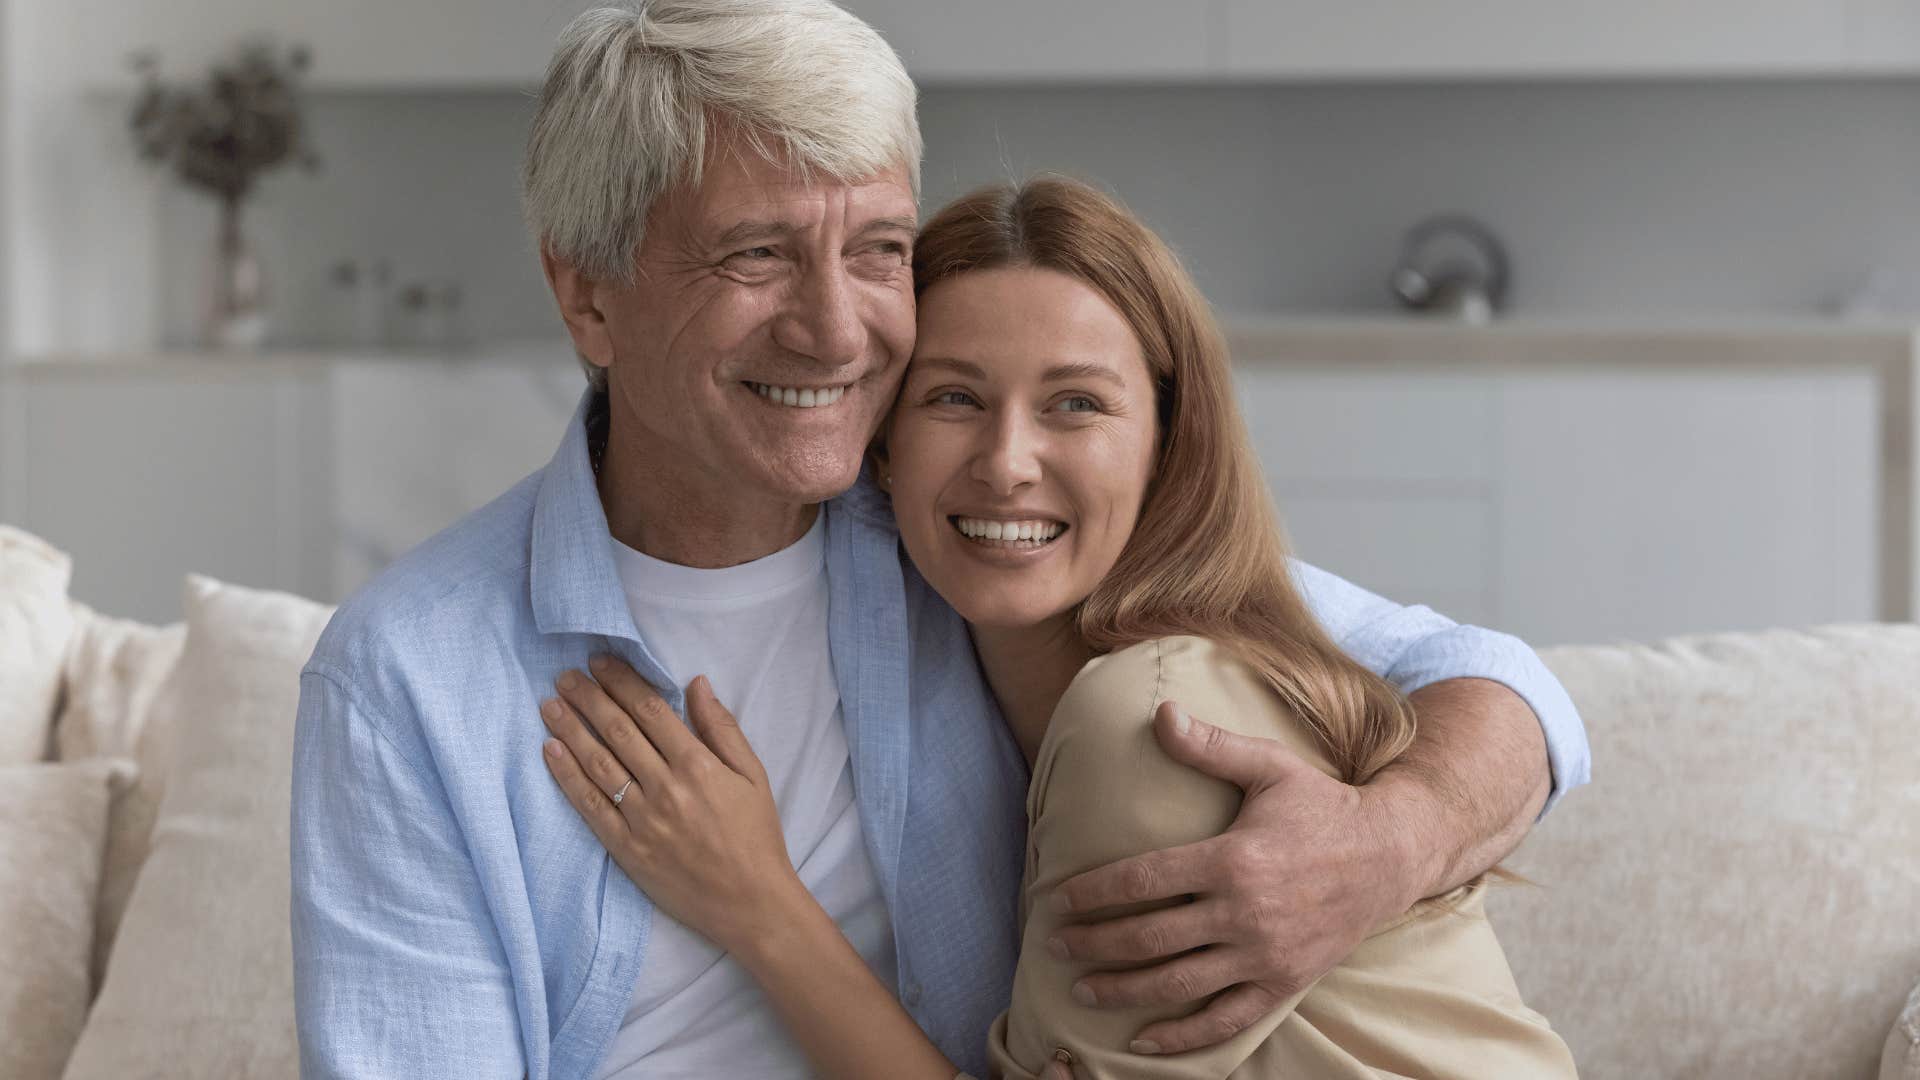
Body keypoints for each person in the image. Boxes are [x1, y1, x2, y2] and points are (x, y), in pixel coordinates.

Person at [289, 2, 1589, 1077]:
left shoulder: (969, 540)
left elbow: (1498, 683)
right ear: (587, 294)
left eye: (877, 251)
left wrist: (1385, 846)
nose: (834, 332)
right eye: (756, 255)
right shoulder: (414, 680)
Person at [537, 176, 1580, 1078]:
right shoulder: (903, 587)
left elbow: (1501, 677)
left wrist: (756, 903)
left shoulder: (1158, 725)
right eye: (953, 398)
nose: (1006, 464)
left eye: (1076, 404)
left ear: (1166, 442)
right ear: (882, 442)